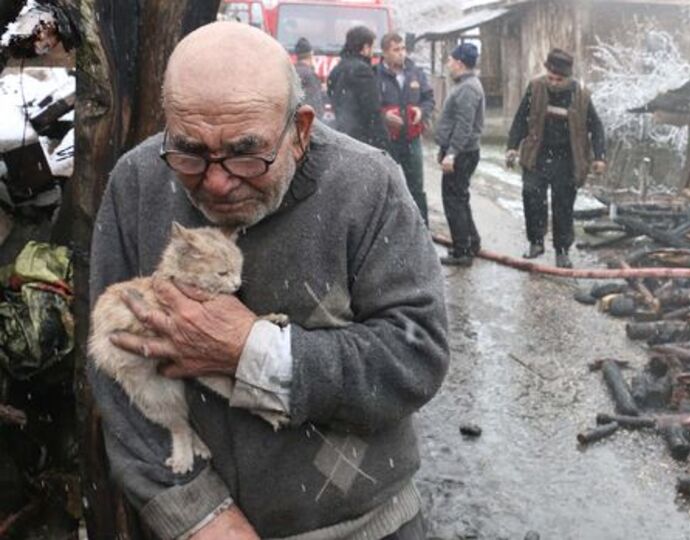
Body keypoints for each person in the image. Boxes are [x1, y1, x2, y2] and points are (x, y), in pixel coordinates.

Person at [87, 21, 448, 540]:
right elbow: (111, 368)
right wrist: (194, 514)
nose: (215, 179)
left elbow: (417, 357)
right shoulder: (137, 182)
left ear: (300, 130)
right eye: (189, 151)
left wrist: (252, 352)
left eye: (245, 152)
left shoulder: (367, 185)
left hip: (362, 526)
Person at [506, 48, 606, 268]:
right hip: (537, 155)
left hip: (567, 158)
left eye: (558, 79)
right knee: (531, 195)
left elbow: (596, 127)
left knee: (563, 205)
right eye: (550, 77)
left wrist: (599, 156)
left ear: (567, 77)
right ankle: (536, 242)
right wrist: (512, 147)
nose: (553, 82)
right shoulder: (535, 88)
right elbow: (521, 118)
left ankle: (562, 250)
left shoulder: (580, 95)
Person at [434, 43, 484, 266]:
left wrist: (452, 153)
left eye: (451, 60)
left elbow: (464, 125)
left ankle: (462, 251)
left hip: (462, 152)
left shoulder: (467, 89)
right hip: (461, 151)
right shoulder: (465, 85)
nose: (448, 64)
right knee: (460, 198)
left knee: (453, 201)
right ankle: (471, 242)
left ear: (460, 63)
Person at [377, 32, 435, 224]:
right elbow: (369, 107)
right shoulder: (375, 75)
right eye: (396, 50)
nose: (401, 54)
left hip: (412, 140)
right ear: (385, 52)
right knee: (388, 187)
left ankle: (422, 228)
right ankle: (390, 229)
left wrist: (422, 111)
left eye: (403, 49)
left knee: (416, 187)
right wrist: (384, 116)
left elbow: (429, 99)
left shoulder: (415, 72)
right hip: (388, 141)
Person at [327, 25, 389, 149]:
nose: (372, 52)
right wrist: (383, 142)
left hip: (341, 136)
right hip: (362, 140)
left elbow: (332, 96)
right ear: (365, 48)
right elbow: (372, 110)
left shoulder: (337, 69)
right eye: (372, 47)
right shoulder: (363, 71)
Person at [293, 37, 326, 115]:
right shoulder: (310, 75)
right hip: (307, 121)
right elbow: (316, 104)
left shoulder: (291, 71)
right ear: (311, 55)